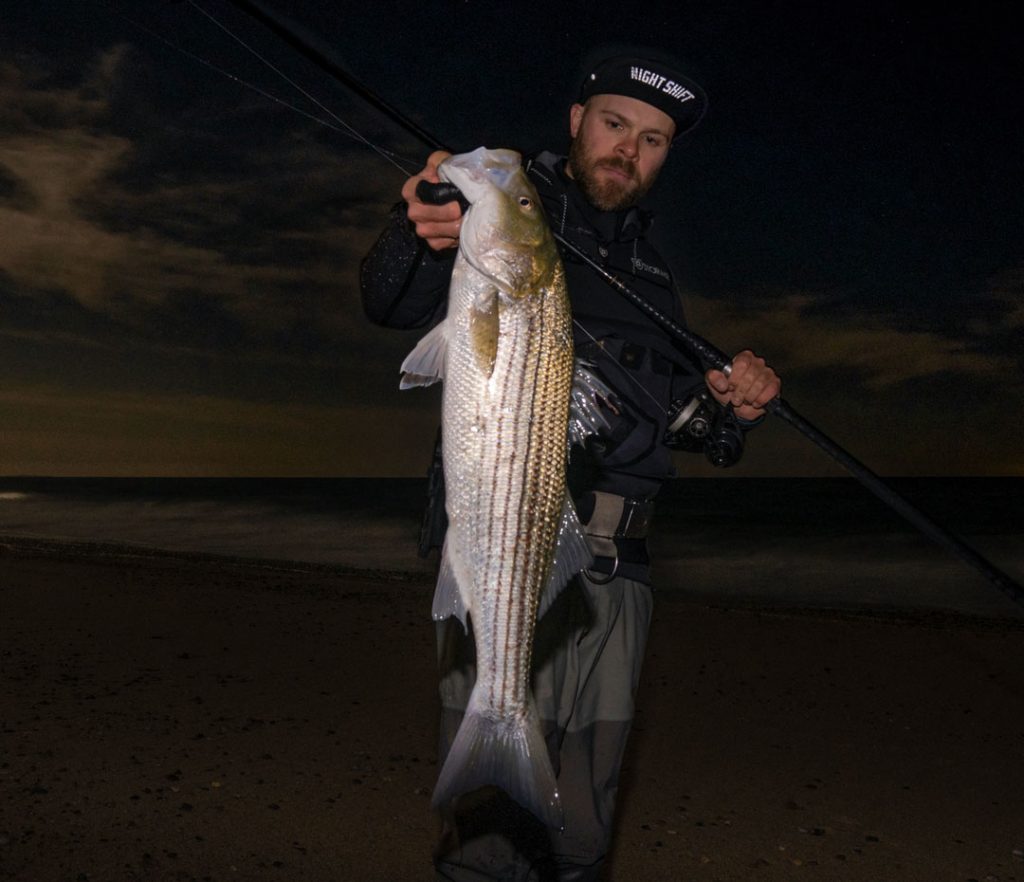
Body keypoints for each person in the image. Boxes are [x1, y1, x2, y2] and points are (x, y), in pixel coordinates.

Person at [360, 53, 780, 882]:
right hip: (508, 547)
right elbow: (390, 298)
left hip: (622, 585)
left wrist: (730, 409)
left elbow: (665, 415)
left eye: (653, 139)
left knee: (582, 834)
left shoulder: (654, 276)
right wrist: (420, 223)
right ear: (577, 120)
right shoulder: (519, 223)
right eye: (616, 123)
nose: (629, 149)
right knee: (489, 848)